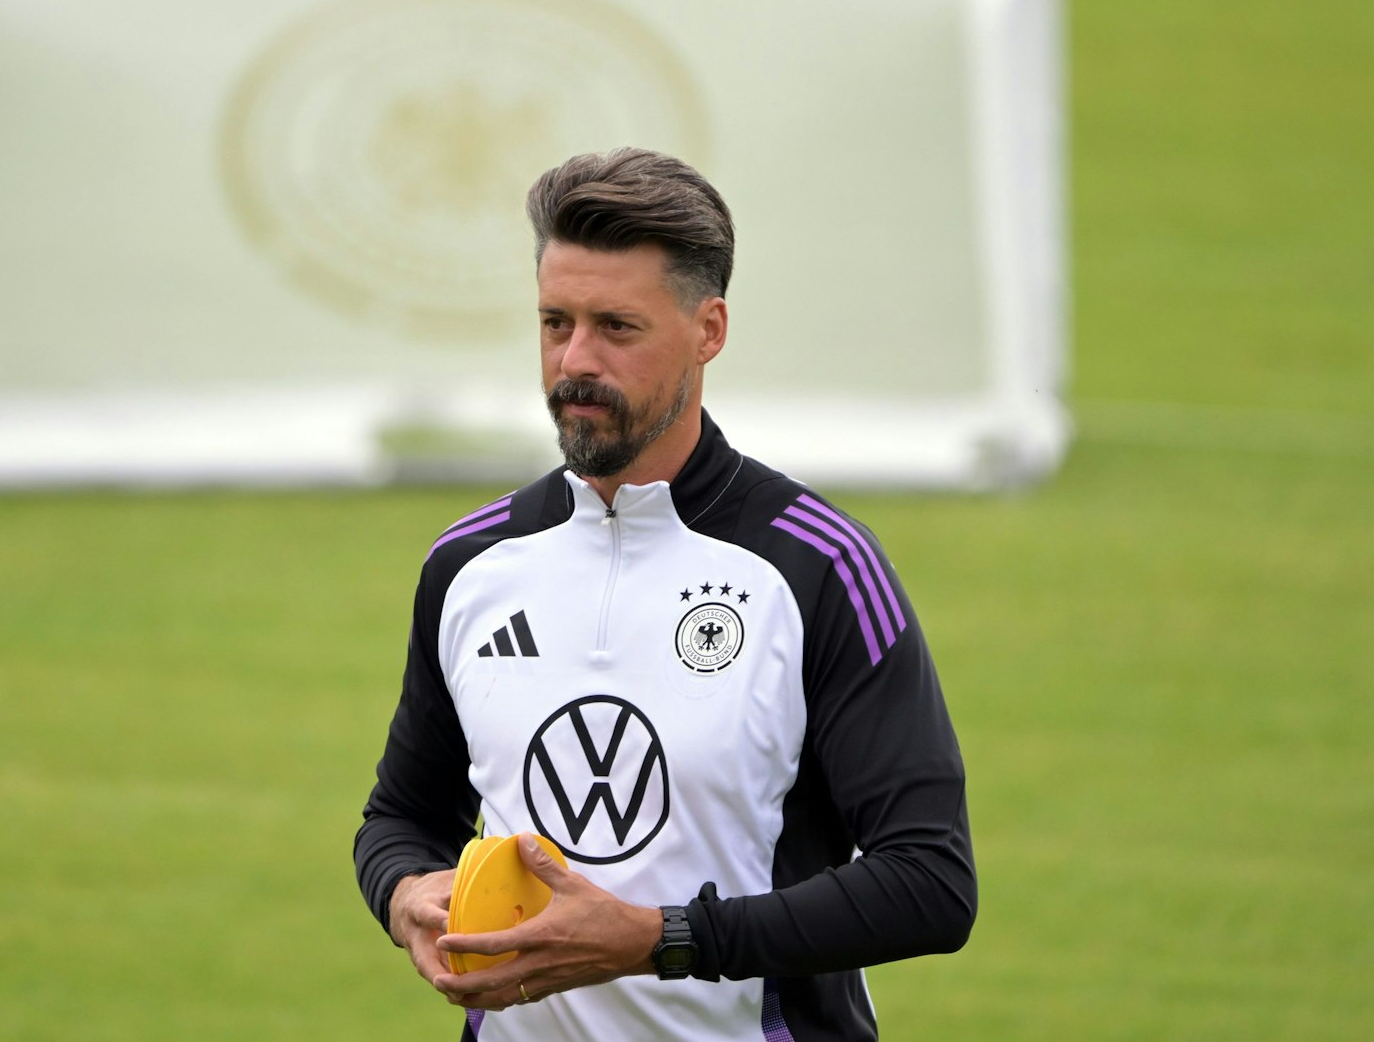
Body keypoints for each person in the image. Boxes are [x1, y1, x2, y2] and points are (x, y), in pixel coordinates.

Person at [354, 148, 975, 1041]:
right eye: (554, 322)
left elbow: (930, 880)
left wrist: (659, 939)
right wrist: (405, 889)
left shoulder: (819, 570)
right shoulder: (470, 563)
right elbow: (402, 815)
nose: (575, 361)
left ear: (708, 330)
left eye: (617, 327)